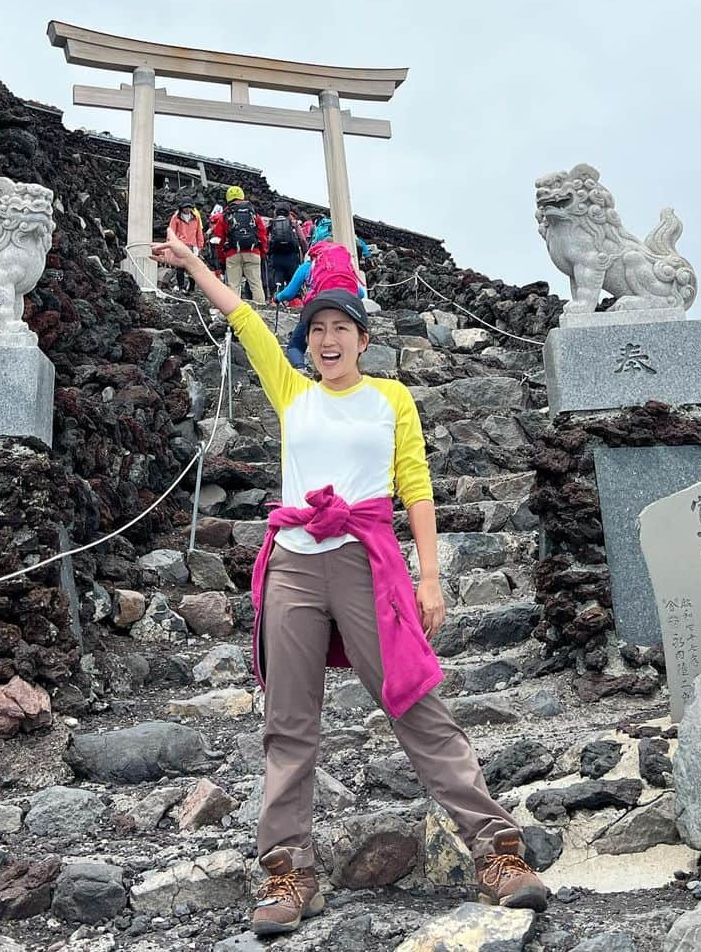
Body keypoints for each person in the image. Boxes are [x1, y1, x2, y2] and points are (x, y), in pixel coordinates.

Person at [151, 234, 550, 939]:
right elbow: (244, 318)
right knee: (289, 722)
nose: (329, 339)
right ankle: (290, 870)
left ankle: (497, 852)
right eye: (318, 329)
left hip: (369, 562)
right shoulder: (291, 389)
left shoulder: (391, 400)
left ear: (364, 339)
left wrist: (431, 577)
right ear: (306, 341)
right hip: (296, 565)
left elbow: (416, 486)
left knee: (414, 701)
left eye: (342, 328)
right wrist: (191, 266)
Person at [275, 241, 363, 370]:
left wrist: (277, 298)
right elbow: (360, 293)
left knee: (295, 346)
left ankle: (301, 370)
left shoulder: (308, 267)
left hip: (316, 310)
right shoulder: (345, 267)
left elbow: (289, 293)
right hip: (346, 311)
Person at [211, 186, 268, 305]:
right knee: (256, 284)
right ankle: (261, 312)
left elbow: (218, 239)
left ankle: (235, 312)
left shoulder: (224, 216)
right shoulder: (253, 214)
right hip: (253, 252)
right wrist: (262, 252)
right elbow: (262, 234)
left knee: (233, 286)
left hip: (233, 254)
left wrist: (222, 258)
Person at [166, 201, 205, 292]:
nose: (187, 209)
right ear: (181, 208)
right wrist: (171, 245)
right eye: (185, 207)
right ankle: (181, 287)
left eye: (189, 207)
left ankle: (191, 288)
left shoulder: (196, 218)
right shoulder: (176, 218)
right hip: (180, 245)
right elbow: (171, 232)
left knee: (192, 268)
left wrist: (200, 245)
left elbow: (199, 232)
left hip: (192, 246)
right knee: (180, 268)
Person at [267, 201, 303, 298]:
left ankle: (277, 304)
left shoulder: (271, 224)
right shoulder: (293, 223)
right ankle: (296, 305)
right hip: (292, 258)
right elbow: (302, 239)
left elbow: (268, 240)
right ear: (288, 212)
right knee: (293, 285)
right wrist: (305, 251)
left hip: (276, 258)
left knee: (277, 286)